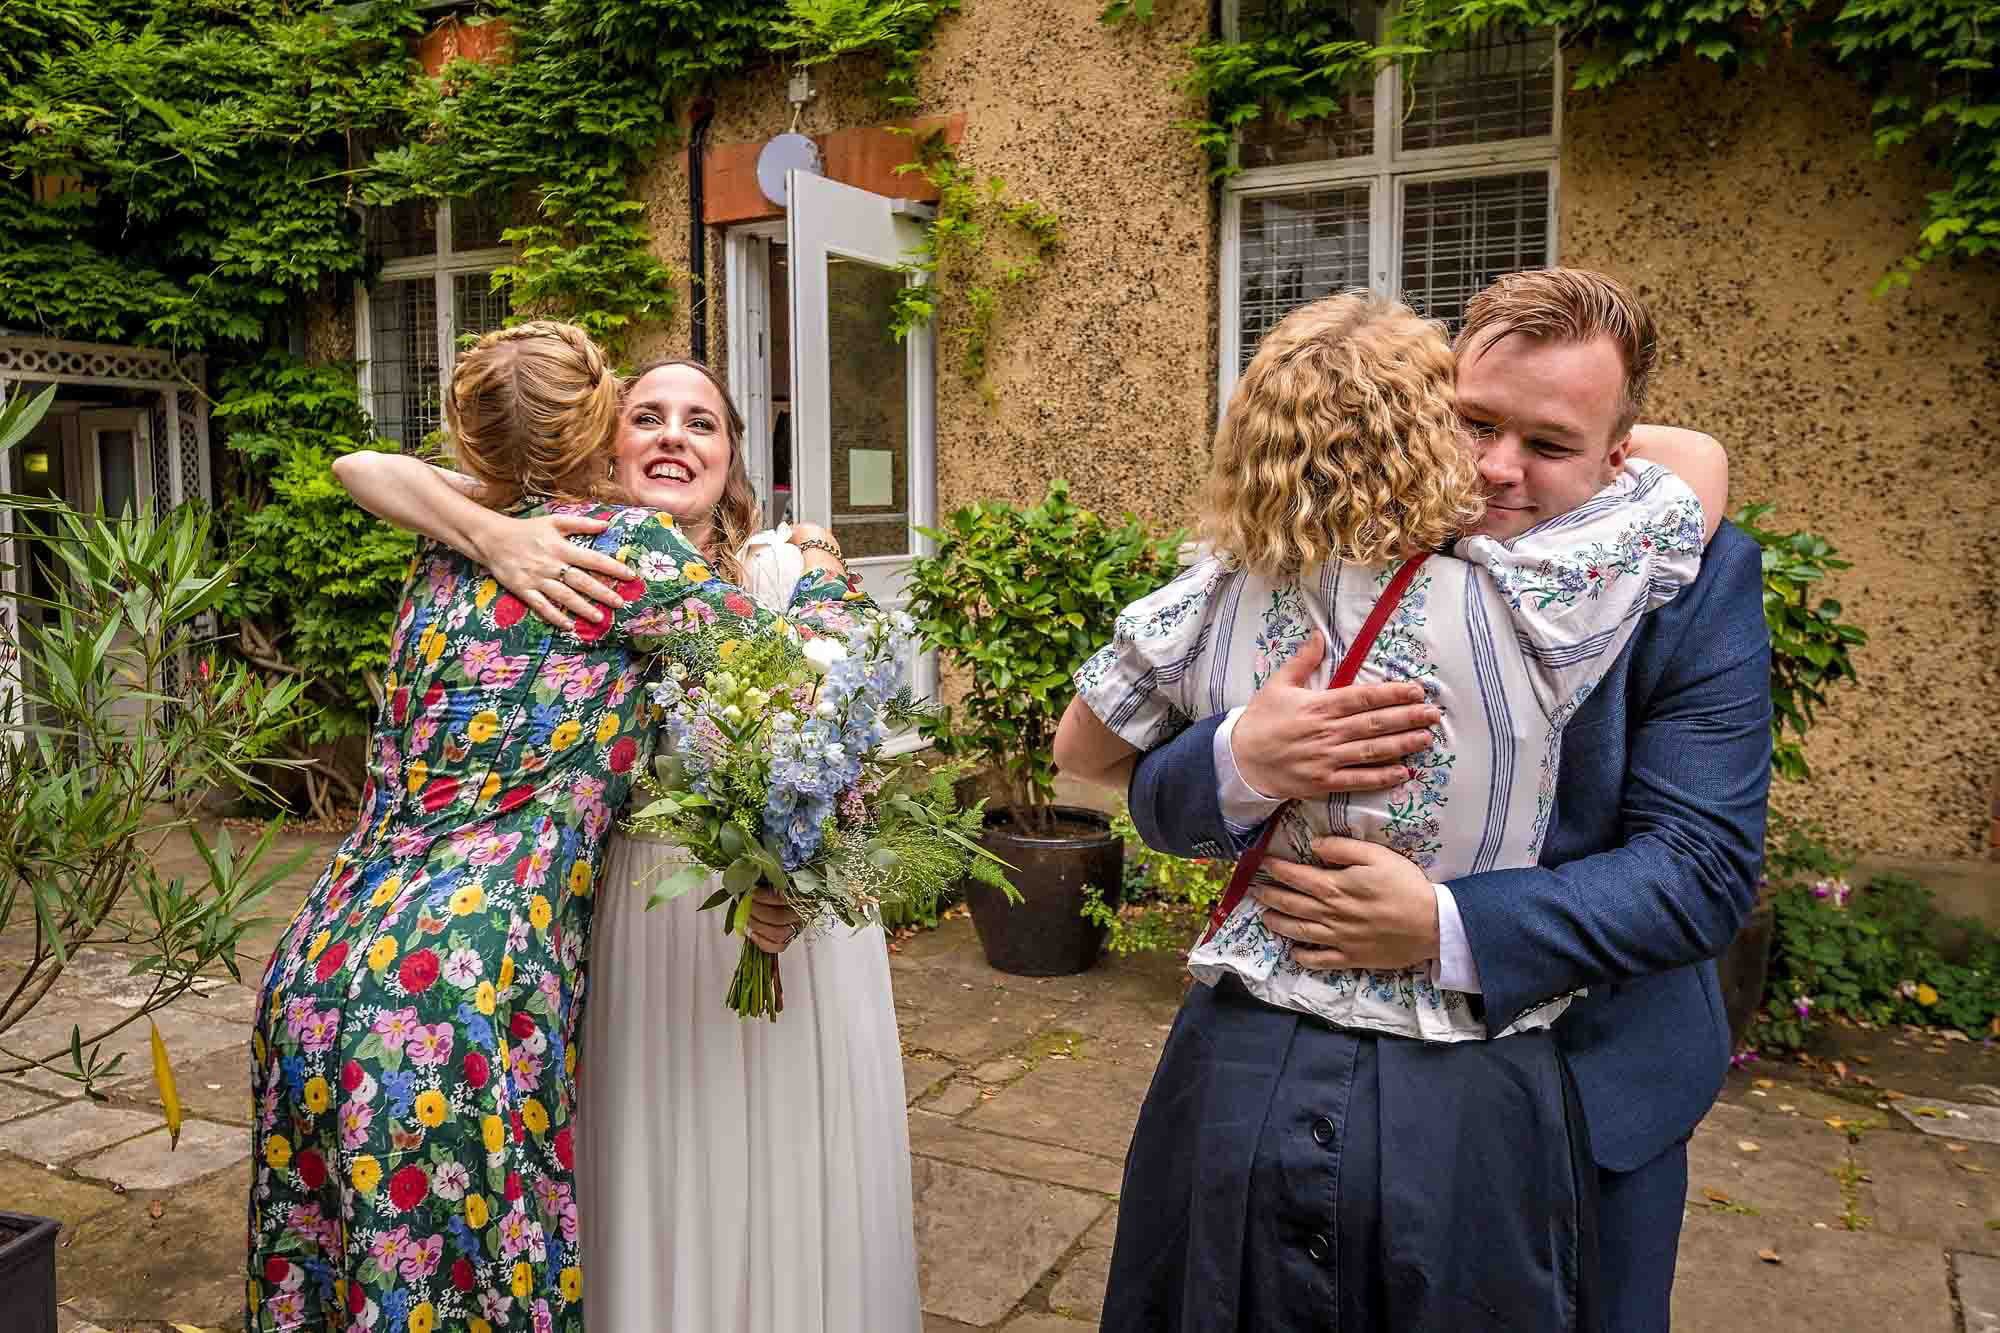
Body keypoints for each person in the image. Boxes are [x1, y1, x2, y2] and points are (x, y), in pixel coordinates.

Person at [1093, 269, 1772, 1331]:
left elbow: (1698, 871)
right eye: (1472, 423)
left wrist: (1444, 926)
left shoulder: (1687, 573)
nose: (1497, 470)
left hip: (1580, 1093)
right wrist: (1242, 757)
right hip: (1280, 1077)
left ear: (1618, 454)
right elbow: (1151, 791)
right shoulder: (1348, 535)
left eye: (1547, 446)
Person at [247, 323, 859, 1332]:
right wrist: (820, 556)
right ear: (597, 421)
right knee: (468, 1292)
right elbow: (807, 671)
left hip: (319, 962)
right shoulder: (628, 555)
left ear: (466, 434)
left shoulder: (441, 548)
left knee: (336, 1283)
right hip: (458, 987)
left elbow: (361, 463)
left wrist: (486, 525)